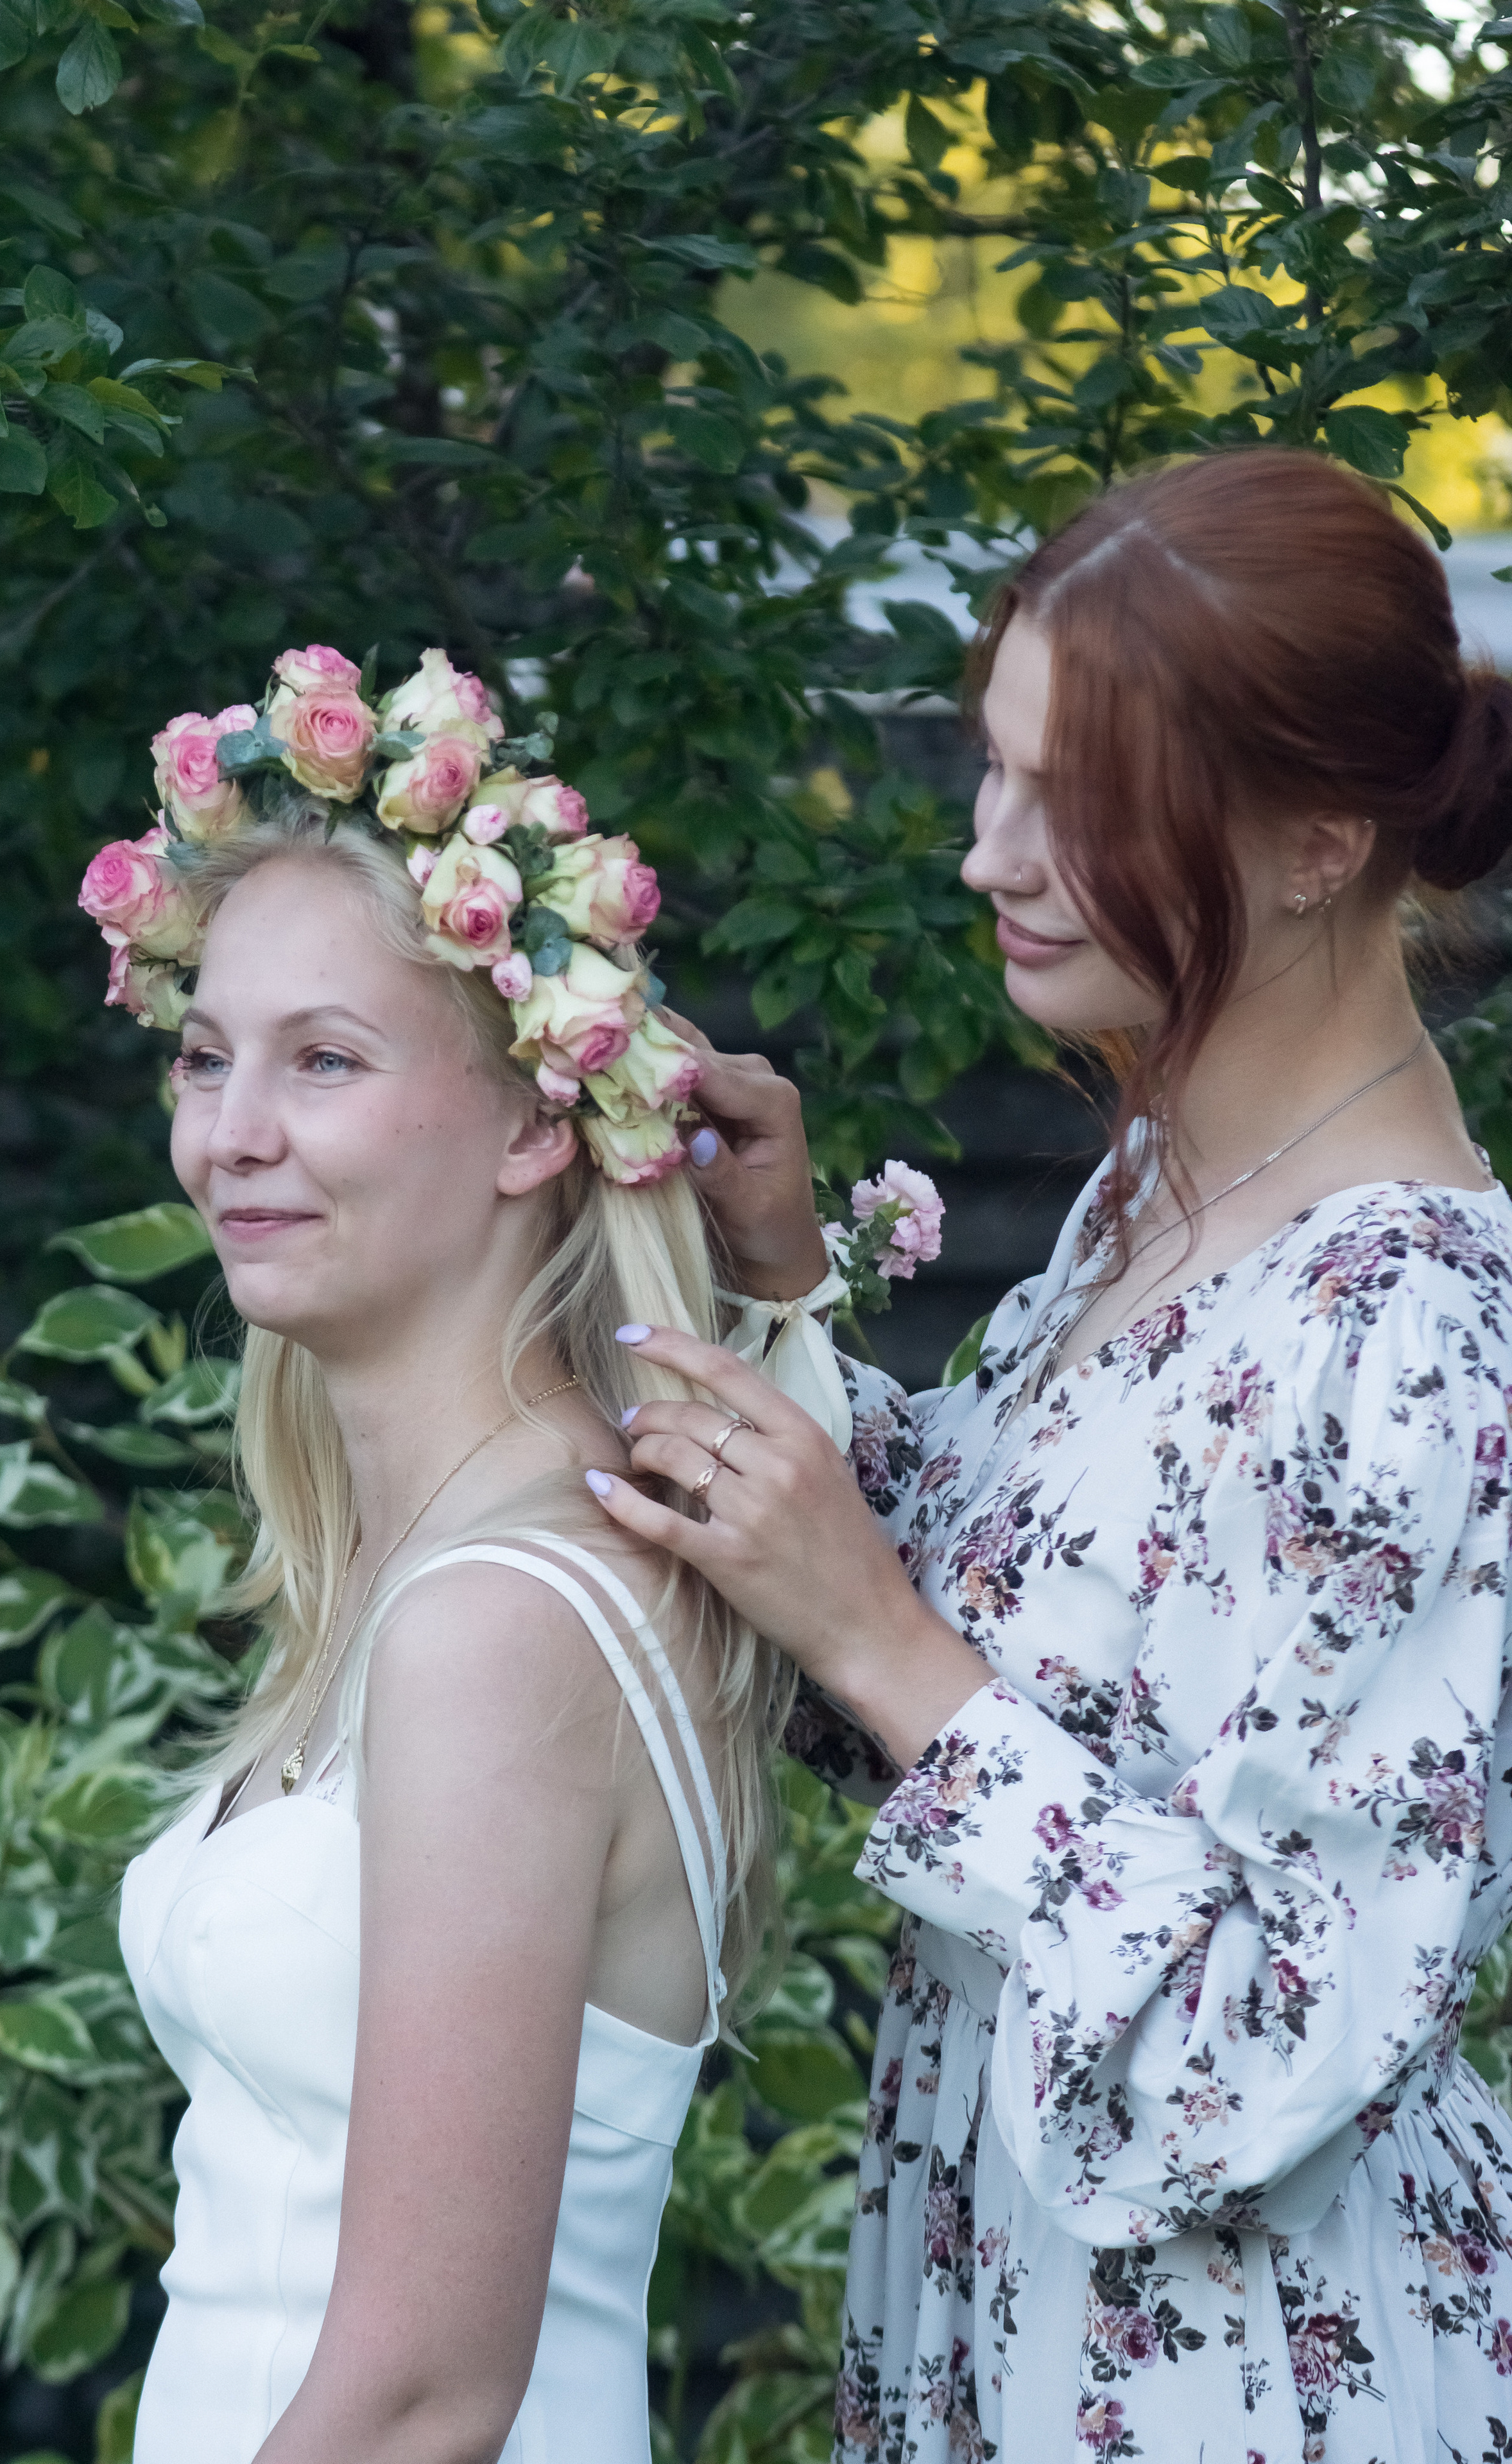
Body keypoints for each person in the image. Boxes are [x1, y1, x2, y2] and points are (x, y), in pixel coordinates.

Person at [587, 450, 1512, 2461]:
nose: (989, 858)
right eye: (996, 775)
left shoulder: (1411, 1328)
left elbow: (1263, 2051)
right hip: (1018, 2318)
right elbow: (1037, 1658)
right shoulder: (1171, 1190)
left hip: (1245, 2382)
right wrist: (781, 1296)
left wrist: (882, 1645)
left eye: (1076, 806)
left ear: (1317, 842)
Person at [87, 647, 784, 2464]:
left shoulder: (503, 1621)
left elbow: (424, 2394)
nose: (232, 1134)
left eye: (324, 1062)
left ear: (539, 1119)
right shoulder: (424, 1573)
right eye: (208, 1058)